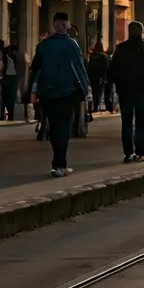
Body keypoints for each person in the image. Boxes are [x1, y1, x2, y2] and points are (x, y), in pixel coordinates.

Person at [29, 12, 92, 178]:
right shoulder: (72, 44)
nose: (61, 26)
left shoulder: (43, 45)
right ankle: (60, 163)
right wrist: (85, 90)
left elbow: (35, 69)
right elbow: (79, 69)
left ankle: (57, 161)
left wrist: (32, 91)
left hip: (48, 93)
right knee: (63, 128)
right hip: (67, 92)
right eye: (60, 24)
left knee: (54, 125)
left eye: (63, 24)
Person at [109, 22, 144, 162]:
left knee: (126, 121)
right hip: (143, 91)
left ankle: (128, 153)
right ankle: (139, 151)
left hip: (125, 92)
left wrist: (119, 85)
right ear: (142, 32)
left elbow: (112, 71)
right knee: (141, 121)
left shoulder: (121, 48)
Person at [87, 42, 110, 113]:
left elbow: (89, 67)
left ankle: (96, 106)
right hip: (102, 76)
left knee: (95, 92)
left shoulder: (92, 56)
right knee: (101, 91)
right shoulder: (105, 56)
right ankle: (104, 106)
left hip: (93, 77)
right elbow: (107, 67)